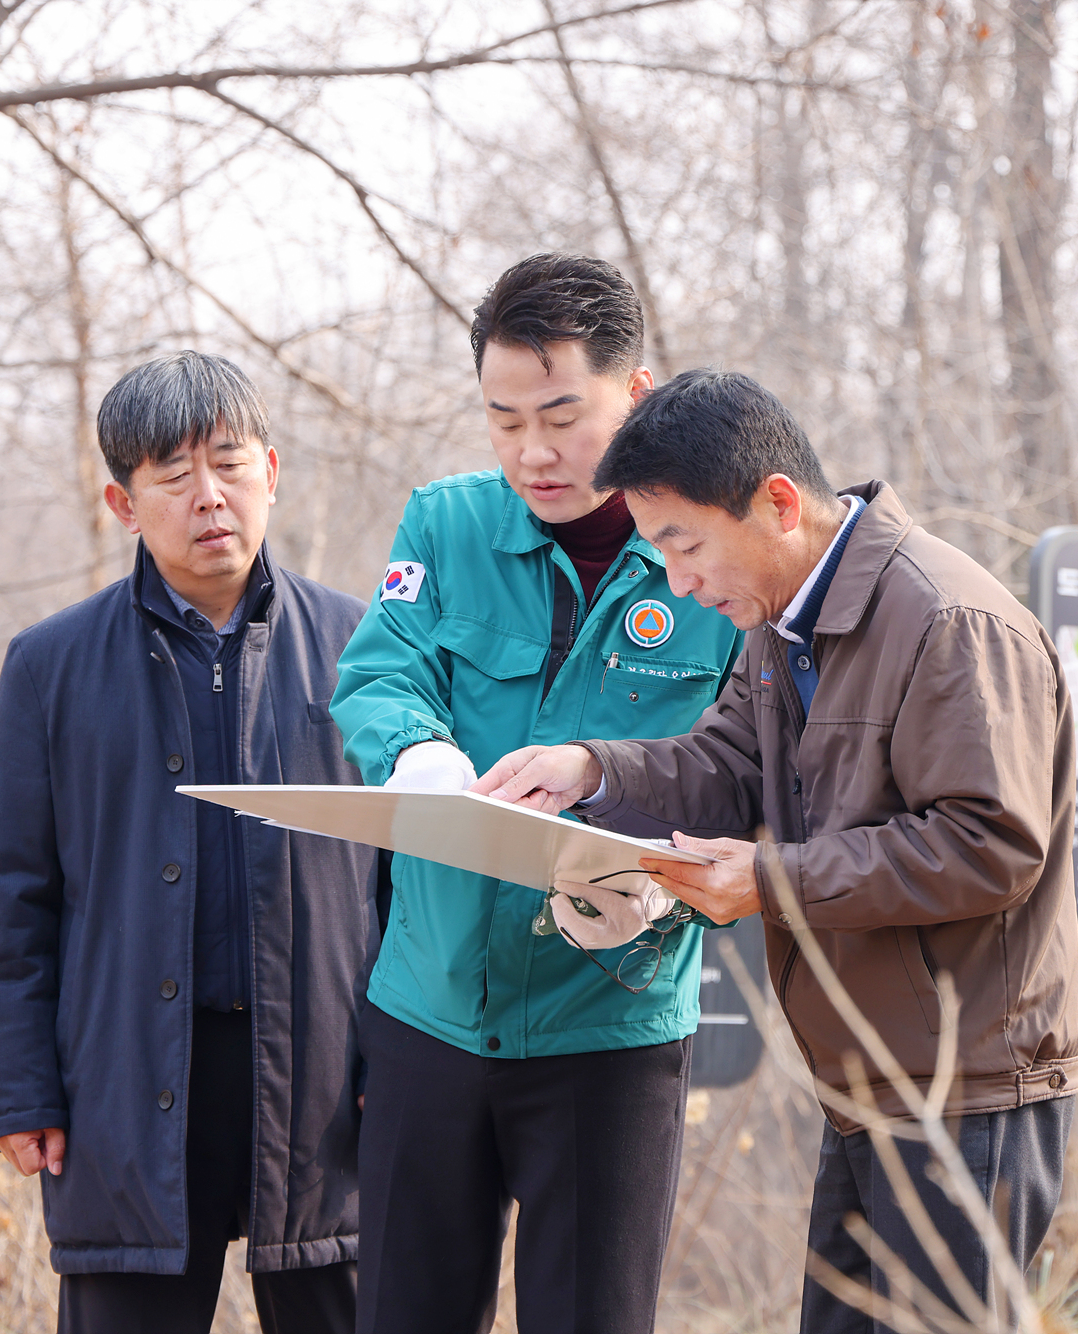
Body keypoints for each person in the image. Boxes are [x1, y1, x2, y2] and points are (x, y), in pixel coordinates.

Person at [474, 368, 1078, 1334]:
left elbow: (990, 845)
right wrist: (590, 770)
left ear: (778, 504)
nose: (677, 581)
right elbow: (727, 763)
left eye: (684, 545)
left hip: (970, 1092)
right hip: (867, 1083)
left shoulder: (946, 621)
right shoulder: (781, 624)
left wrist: (770, 881)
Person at [328, 253, 743, 1334]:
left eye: (563, 414)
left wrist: (662, 879)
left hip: (610, 1026)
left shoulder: (708, 564)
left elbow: (754, 772)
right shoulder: (446, 526)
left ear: (637, 393)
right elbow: (381, 671)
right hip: (429, 1014)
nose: (534, 452)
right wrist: (417, 755)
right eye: (503, 419)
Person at [0, 352, 379, 1334]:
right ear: (122, 499)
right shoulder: (50, 665)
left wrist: (396, 1060)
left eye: (231, 466)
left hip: (323, 1075)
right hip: (127, 1074)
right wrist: (18, 1087)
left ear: (272, 471)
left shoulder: (364, 649)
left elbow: (413, 883)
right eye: (173, 475)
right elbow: (9, 892)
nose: (209, 498)